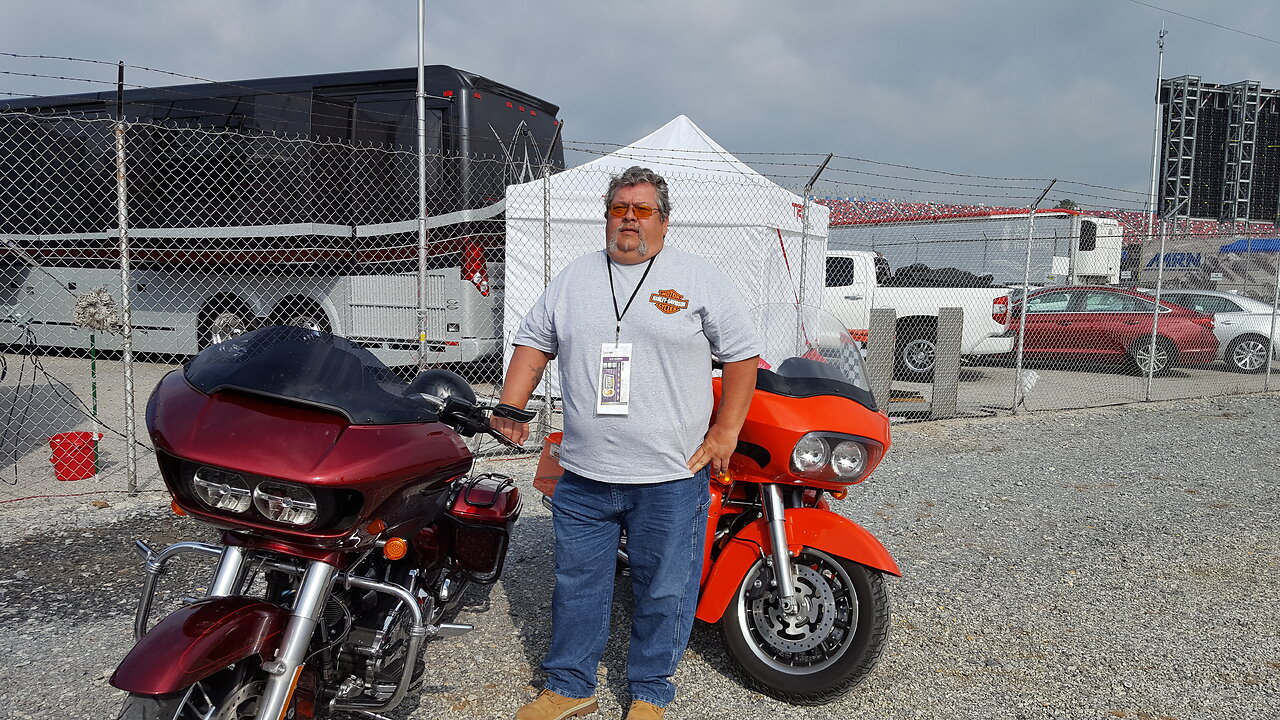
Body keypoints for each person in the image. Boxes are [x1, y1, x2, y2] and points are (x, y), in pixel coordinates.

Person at [492, 166, 760, 720]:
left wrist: (725, 431)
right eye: (619, 208)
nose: (630, 219)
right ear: (607, 216)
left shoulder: (697, 278)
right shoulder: (574, 278)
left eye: (642, 209)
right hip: (585, 474)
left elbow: (741, 355)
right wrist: (511, 406)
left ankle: (651, 692)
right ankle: (570, 686)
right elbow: (532, 342)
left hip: (668, 475)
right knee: (578, 584)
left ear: (664, 219)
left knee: (665, 590)